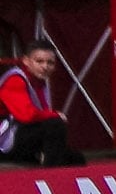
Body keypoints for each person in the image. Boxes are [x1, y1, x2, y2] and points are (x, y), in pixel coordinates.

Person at [0, 37, 76, 165]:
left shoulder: (40, 83)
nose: (45, 67)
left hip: (18, 134)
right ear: (26, 61)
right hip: (5, 142)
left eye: (50, 63)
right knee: (55, 124)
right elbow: (26, 115)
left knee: (75, 159)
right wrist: (55, 115)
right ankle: (52, 173)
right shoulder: (15, 80)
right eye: (39, 61)